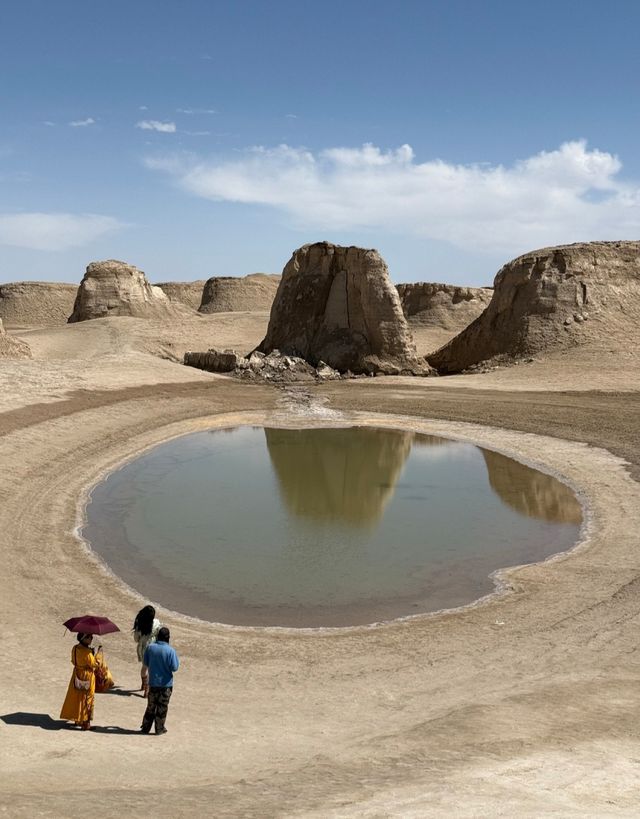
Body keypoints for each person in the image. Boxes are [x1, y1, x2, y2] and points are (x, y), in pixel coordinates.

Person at [140, 626, 179, 735]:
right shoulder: (171, 651)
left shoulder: (150, 648)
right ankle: (159, 728)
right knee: (162, 707)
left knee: (151, 706)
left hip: (153, 683)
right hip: (166, 684)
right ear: (168, 638)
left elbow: (146, 663)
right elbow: (175, 667)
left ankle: (145, 727)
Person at [60, 633, 100, 730]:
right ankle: (86, 723)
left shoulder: (75, 648)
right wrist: (96, 655)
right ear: (84, 639)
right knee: (87, 698)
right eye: (89, 637)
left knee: (77, 697)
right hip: (87, 676)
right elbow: (94, 664)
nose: (91, 638)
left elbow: (73, 661)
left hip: (77, 674)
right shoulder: (87, 652)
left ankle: (77, 719)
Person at [132, 604, 161, 697]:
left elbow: (136, 639)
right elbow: (158, 635)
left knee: (144, 668)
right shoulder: (156, 623)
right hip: (153, 648)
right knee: (151, 669)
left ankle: (144, 684)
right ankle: (147, 688)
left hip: (143, 649)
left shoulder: (139, 626)